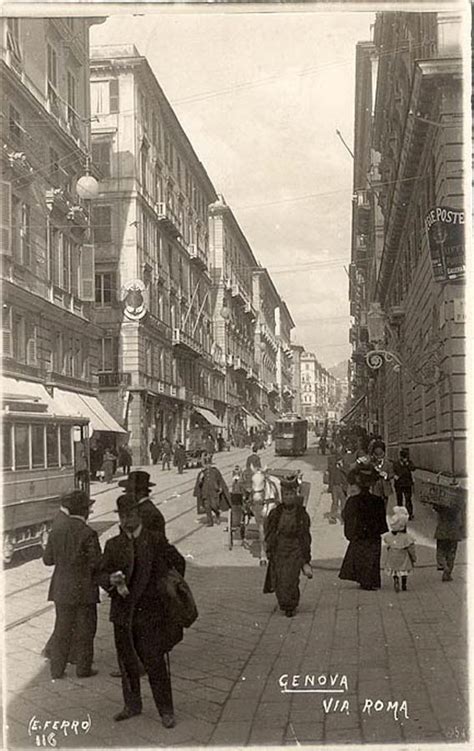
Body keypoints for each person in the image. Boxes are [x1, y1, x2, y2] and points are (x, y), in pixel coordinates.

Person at [99, 495, 180, 728]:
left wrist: (167, 589)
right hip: (123, 614)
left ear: (138, 514)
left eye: (131, 515)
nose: (126, 520)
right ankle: (132, 705)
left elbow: (178, 564)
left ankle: (166, 710)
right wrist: (110, 580)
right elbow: (100, 573)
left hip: (151, 614)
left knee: (154, 662)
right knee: (126, 663)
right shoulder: (113, 545)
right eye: (122, 516)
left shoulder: (155, 540)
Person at [43, 490, 101, 680]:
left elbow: (48, 560)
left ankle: (56, 670)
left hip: (61, 588)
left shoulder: (57, 529)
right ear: (83, 510)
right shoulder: (88, 533)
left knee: (62, 629)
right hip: (84, 589)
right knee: (86, 629)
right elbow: (96, 564)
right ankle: (83, 668)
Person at [263, 475, 313, 617]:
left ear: (295, 495)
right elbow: (269, 532)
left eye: (291, 494)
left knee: (291, 579)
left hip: (295, 549)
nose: (289, 497)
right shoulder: (275, 513)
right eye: (286, 494)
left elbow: (305, 535)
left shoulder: (301, 514)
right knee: (279, 579)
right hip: (280, 548)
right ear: (282, 496)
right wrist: (269, 549)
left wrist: (306, 556)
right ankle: (283, 603)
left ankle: (291, 605)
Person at [339, 463, 388, 591]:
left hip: (359, 533)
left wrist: (350, 533)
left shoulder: (353, 500)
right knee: (372, 556)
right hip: (373, 534)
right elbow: (381, 519)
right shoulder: (378, 501)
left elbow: (347, 516)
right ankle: (372, 580)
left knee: (360, 555)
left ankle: (363, 580)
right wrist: (381, 530)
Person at [382, 506, 417, 592]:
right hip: (403, 557)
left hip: (393, 556)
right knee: (404, 570)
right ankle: (404, 584)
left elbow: (388, 544)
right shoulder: (407, 537)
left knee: (394, 570)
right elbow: (411, 548)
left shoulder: (389, 536)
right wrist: (414, 557)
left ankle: (396, 580)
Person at [193, 455, 231, 527]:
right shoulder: (202, 473)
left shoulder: (215, 471)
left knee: (214, 506)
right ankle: (210, 522)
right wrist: (200, 480)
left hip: (214, 492)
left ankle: (217, 513)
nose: (207, 466)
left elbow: (220, 480)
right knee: (207, 506)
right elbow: (199, 484)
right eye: (206, 464)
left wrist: (221, 487)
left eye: (208, 464)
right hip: (205, 492)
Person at [433, 501, 466, 582]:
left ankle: (444, 566)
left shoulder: (441, 504)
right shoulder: (458, 503)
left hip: (442, 531)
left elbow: (435, 506)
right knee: (451, 553)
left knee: (441, 551)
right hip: (454, 531)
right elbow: (463, 516)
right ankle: (448, 573)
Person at [370, 441, 394, 508]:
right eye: (376, 455)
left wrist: (386, 475)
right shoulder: (372, 464)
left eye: (380, 454)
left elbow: (392, 474)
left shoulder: (389, 464)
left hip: (386, 489)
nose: (379, 457)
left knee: (384, 505)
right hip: (376, 489)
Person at [393, 448, 416, 519]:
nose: (405, 458)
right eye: (404, 457)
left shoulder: (409, 462)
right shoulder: (396, 463)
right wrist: (395, 476)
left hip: (407, 484)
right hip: (399, 484)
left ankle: (409, 514)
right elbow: (393, 471)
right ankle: (400, 514)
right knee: (399, 500)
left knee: (408, 499)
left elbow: (413, 468)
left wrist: (407, 464)